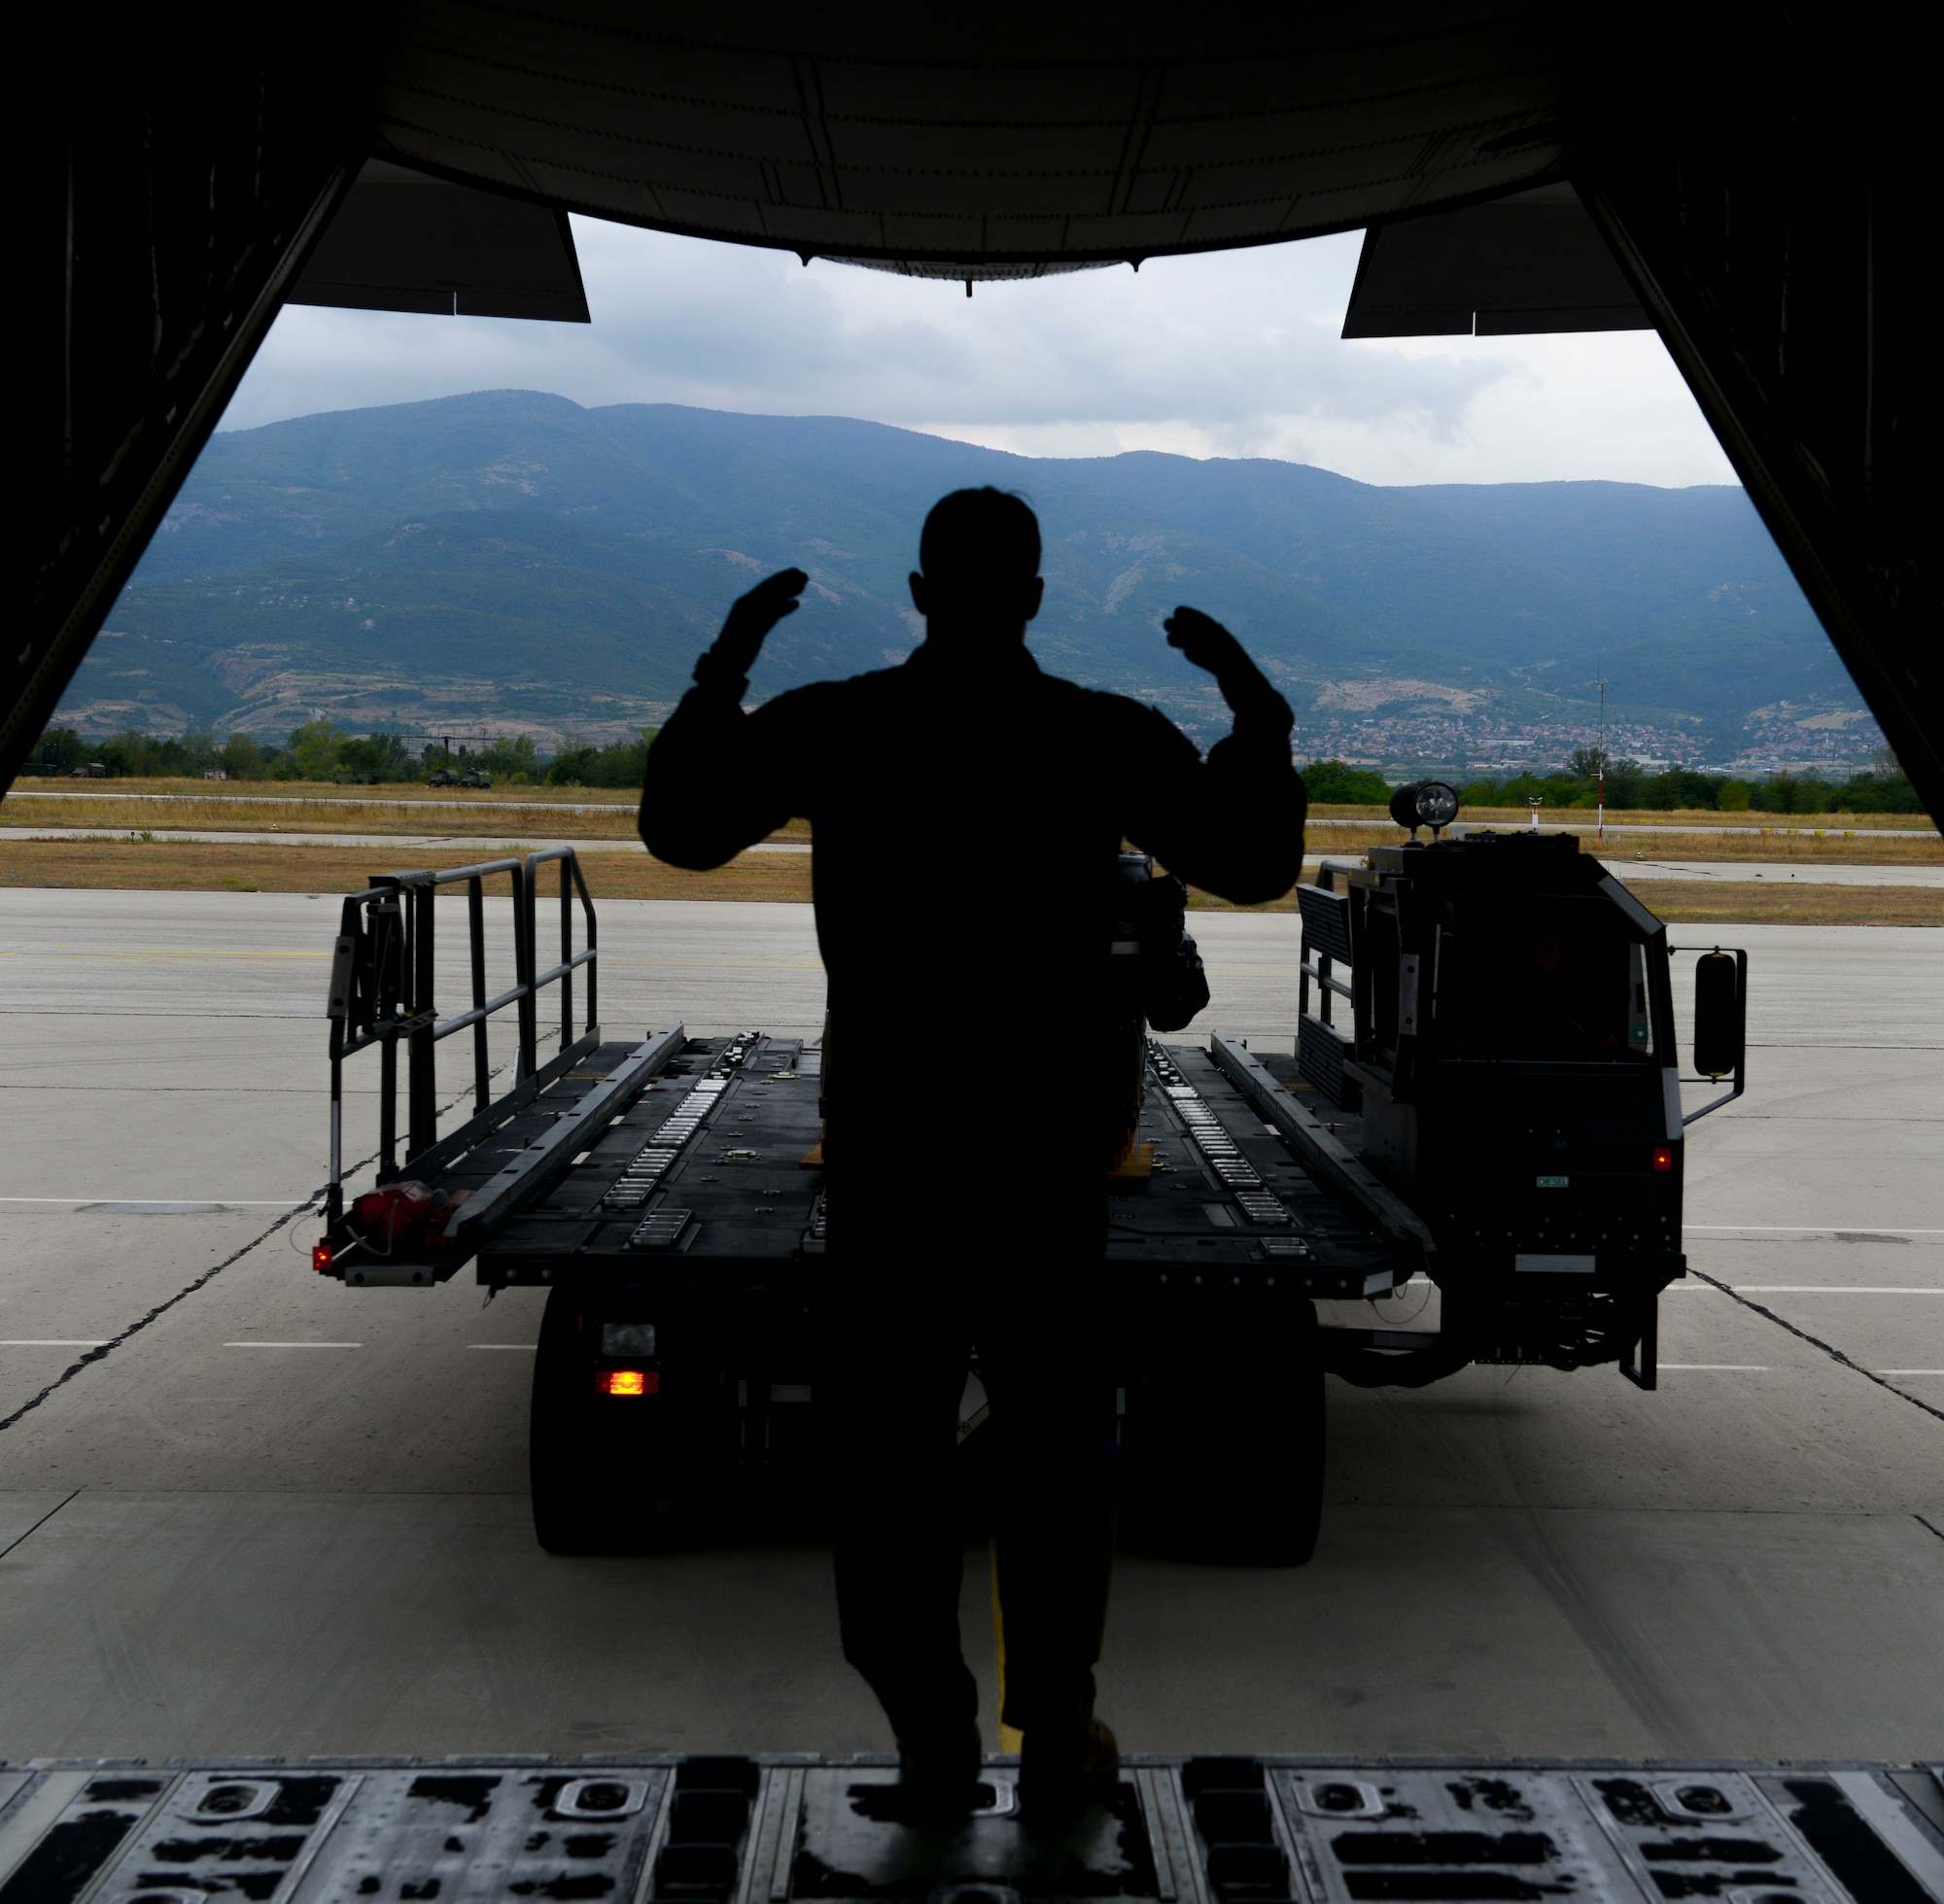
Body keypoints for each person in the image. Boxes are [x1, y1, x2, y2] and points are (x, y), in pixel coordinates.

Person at [640, 487, 1305, 1812]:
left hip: (896, 1156)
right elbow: (1251, 859)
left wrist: (724, 669)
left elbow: (682, 828)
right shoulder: (1095, 737)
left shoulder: (843, 724)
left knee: (889, 1464)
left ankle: (932, 1744)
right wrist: (1257, 715)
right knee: (1058, 1460)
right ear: (1039, 598)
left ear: (921, 591)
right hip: (1046, 1161)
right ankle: (1058, 1735)